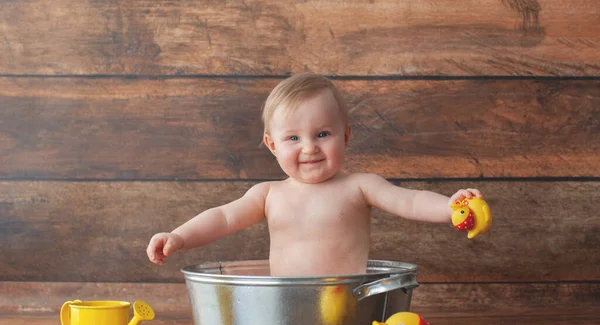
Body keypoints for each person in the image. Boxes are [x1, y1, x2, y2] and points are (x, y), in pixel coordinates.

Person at [147, 73, 484, 276]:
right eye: (293, 138)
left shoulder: (360, 186)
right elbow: (221, 218)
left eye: (322, 134)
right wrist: (179, 237)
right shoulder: (268, 194)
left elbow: (409, 201)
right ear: (272, 145)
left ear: (346, 136)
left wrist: (451, 208)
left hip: (347, 301)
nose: (309, 148)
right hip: (287, 303)